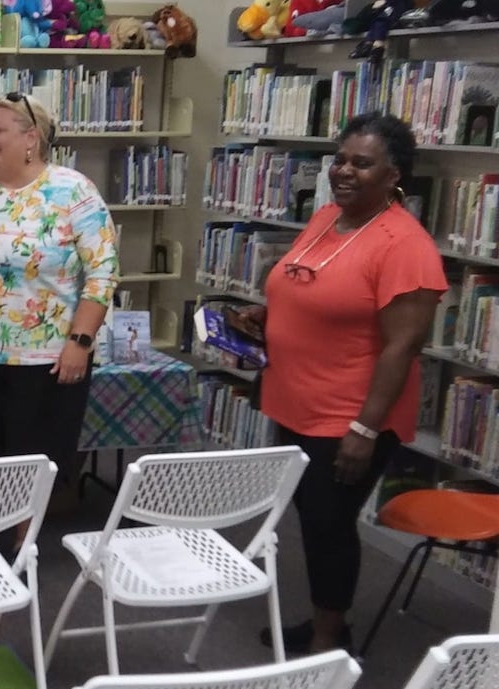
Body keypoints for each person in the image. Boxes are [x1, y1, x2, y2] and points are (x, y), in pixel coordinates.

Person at [235, 113, 448, 655]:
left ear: (394, 174)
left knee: (330, 524)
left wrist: (365, 428)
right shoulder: (329, 218)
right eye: (341, 159)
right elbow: (308, 286)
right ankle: (323, 618)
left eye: (362, 162)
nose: (344, 171)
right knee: (311, 517)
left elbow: (403, 345)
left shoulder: (405, 244)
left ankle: (332, 640)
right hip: (296, 399)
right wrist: (268, 314)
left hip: (349, 414)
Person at [0, 93, 118, 549]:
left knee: (31, 462)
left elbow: (103, 272)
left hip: (44, 359)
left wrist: (81, 341)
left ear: (31, 138)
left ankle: (20, 552)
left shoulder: (73, 192)